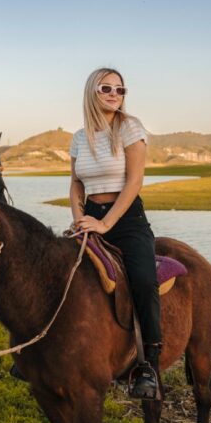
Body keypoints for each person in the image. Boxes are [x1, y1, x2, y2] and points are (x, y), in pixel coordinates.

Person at [69, 67, 161, 398]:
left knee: (143, 278)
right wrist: (80, 217)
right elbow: (76, 184)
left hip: (126, 219)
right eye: (106, 88)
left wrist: (106, 225)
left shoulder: (129, 127)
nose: (114, 94)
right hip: (90, 216)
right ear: (92, 91)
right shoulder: (79, 137)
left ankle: (148, 363)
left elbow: (135, 181)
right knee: (56, 270)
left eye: (120, 90)